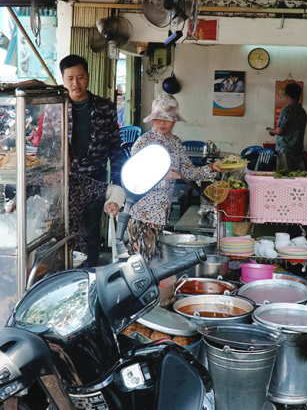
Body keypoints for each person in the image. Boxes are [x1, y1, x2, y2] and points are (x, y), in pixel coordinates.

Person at [106, 93, 223, 264]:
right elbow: (133, 177)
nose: (162, 122)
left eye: (168, 119)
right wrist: (163, 176)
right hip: (142, 214)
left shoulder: (176, 143)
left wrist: (212, 168)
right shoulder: (143, 142)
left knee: (152, 262)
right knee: (139, 264)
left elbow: (187, 173)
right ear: (152, 119)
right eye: (159, 118)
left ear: (174, 121)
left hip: (162, 214)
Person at [60, 55, 127, 267]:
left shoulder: (104, 107)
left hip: (95, 177)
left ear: (88, 77)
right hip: (65, 181)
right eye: (70, 78)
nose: (75, 83)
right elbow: (48, 145)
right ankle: (66, 276)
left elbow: (115, 147)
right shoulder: (56, 106)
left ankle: (91, 277)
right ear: (62, 79)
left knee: (90, 232)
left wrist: (117, 183)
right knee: (63, 231)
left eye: (80, 77)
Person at [268, 82, 307, 171]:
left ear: (287, 95)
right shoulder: (302, 111)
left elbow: (279, 131)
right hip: (298, 150)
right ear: (299, 96)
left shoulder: (286, 110)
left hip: (285, 151)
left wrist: (271, 131)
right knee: (296, 178)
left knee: (284, 178)